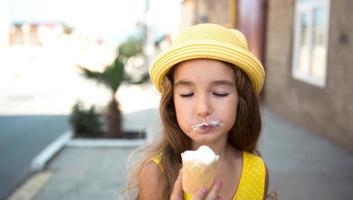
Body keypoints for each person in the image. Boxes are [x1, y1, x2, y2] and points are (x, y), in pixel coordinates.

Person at [124, 23, 269, 200]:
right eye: (187, 94)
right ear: (172, 103)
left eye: (219, 93)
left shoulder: (257, 171)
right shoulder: (156, 174)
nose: (203, 109)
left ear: (241, 100)